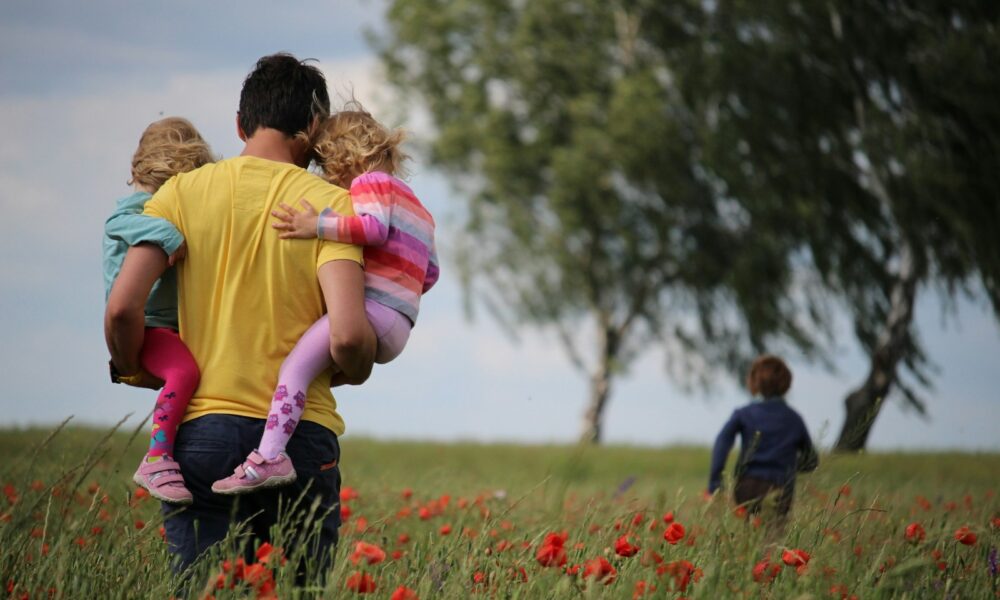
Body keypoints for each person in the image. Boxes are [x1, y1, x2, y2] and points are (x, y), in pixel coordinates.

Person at [104, 53, 376, 574]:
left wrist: (133, 365)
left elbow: (121, 308)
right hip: (300, 437)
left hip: (202, 432)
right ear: (314, 128)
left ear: (239, 123)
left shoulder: (178, 194)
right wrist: (356, 368)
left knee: (208, 587)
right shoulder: (330, 206)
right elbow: (346, 336)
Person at [212, 104, 439, 494]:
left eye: (327, 164)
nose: (327, 176)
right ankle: (281, 436)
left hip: (372, 312)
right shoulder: (419, 207)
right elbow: (430, 273)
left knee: (294, 370)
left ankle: (269, 457)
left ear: (347, 156)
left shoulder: (370, 184)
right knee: (312, 372)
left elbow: (372, 229)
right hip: (400, 323)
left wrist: (314, 225)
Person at [103, 117, 214, 504]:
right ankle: (157, 457)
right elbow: (118, 222)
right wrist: (169, 235)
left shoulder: (158, 205)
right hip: (148, 325)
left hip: (167, 326)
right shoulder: (139, 208)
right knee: (184, 371)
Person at [707, 354, 818, 519]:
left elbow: (721, 444)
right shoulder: (794, 419)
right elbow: (811, 461)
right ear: (786, 384)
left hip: (747, 486)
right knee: (774, 538)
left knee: (750, 535)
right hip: (781, 488)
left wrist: (715, 483)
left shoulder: (743, 414)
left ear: (754, 382)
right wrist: (788, 467)